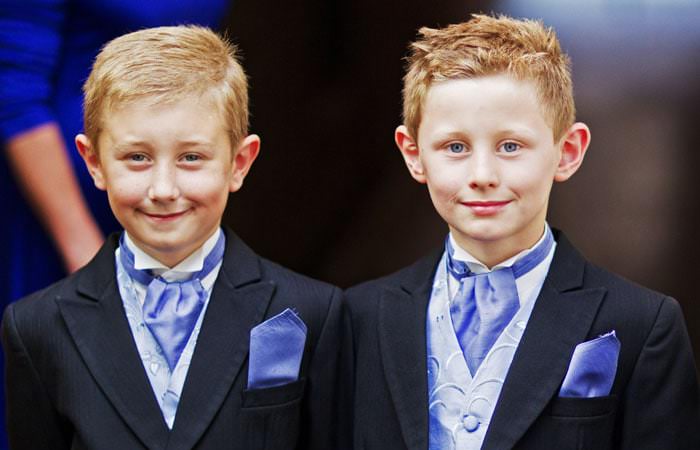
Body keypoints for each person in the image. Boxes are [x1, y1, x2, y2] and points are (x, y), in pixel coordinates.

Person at [344, 14, 700, 450]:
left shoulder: (643, 325)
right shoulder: (359, 318)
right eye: (455, 147)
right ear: (413, 154)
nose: (482, 175)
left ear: (567, 152)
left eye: (510, 146)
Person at [2, 26, 342, 450]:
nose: (163, 190)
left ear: (239, 162)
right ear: (94, 162)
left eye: (191, 158)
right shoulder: (37, 326)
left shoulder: (314, 312)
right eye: (137, 158)